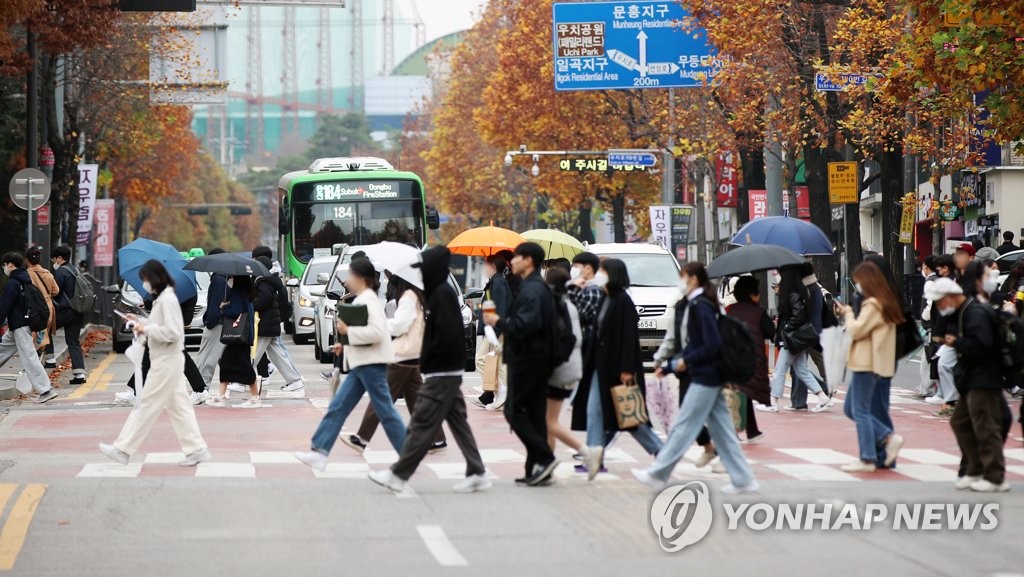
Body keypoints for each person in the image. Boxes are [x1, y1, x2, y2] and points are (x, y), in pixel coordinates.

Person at [367, 247, 488, 493]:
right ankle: (477, 472)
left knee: (421, 422)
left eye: (423, 269)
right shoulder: (437, 292)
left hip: (441, 372)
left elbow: (445, 336)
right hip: (446, 371)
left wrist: (430, 360)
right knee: (458, 423)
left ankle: (398, 474)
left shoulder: (441, 295)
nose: (420, 274)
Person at [632, 262, 758, 494]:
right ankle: (743, 480)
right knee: (723, 431)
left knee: (683, 426)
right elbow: (697, 343)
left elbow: (710, 344)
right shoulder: (698, 304)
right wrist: (672, 365)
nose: (681, 282)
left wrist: (683, 362)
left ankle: (658, 473)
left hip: (705, 375)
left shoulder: (700, 306)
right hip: (708, 374)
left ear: (693, 279)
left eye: (683, 277)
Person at [295, 258, 406, 472]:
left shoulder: (368, 300)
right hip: (363, 363)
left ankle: (409, 455)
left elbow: (377, 332)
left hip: (371, 364)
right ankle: (319, 452)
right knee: (339, 407)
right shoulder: (364, 298)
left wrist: (348, 333)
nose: (346, 281)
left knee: (385, 412)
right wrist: (344, 345)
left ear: (361, 278)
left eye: (350, 276)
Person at [98, 259, 211, 467]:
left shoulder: (167, 300)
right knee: (180, 407)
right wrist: (141, 322)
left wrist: (145, 329)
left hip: (166, 360)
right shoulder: (164, 299)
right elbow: (164, 327)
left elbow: (173, 332)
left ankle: (123, 449)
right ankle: (196, 449)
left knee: (147, 404)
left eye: (145, 280)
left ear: (154, 278)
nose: (144, 285)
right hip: (168, 359)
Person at [574, 258, 663, 481]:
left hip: (618, 370)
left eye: (603, 270)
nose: (599, 273)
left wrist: (626, 369)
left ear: (612, 274)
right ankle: (594, 457)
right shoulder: (605, 297)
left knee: (629, 417)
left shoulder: (623, 301)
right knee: (595, 412)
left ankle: (662, 451)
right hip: (599, 367)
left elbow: (628, 339)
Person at [344, 270, 446, 454]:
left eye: (388, 275)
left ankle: (362, 438)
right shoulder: (415, 294)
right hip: (410, 355)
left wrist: (379, 325)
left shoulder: (407, 297)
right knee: (417, 401)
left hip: (401, 355)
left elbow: (400, 325)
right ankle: (437, 439)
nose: (386, 279)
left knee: (380, 398)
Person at [483, 242, 559, 486]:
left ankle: (545, 459)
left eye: (516, 258)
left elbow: (525, 326)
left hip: (529, 360)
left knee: (514, 411)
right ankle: (535, 468)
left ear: (528, 261)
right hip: (537, 359)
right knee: (535, 415)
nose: (511, 262)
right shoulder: (534, 287)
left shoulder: (532, 290)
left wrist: (498, 321)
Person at [926, 277, 1010, 492]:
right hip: (974, 377)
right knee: (961, 422)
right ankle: (975, 469)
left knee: (985, 425)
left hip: (983, 377)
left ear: (952, 297)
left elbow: (983, 345)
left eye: (941, 302)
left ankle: (994, 476)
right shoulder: (967, 311)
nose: (941, 307)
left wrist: (957, 342)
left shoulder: (974, 313)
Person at [836, 261, 905, 472]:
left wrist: (848, 313)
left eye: (858, 281)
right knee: (851, 408)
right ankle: (884, 439)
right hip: (869, 362)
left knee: (861, 410)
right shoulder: (883, 302)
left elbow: (857, 331)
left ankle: (868, 457)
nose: (857, 285)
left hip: (867, 363)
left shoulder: (874, 305)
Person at [758, 265, 833, 412]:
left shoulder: (792, 294)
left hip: (792, 338)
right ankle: (823, 398)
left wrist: (786, 329)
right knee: (802, 370)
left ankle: (773, 402)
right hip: (799, 338)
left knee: (780, 370)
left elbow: (797, 315)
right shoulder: (799, 291)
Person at [542, 268, 588, 461]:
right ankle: (548, 461)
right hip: (568, 368)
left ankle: (587, 452)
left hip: (560, 370)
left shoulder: (559, 306)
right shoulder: (567, 302)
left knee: (549, 422)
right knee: (549, 420)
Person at [0, 253, 58, 403]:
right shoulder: (25, 279)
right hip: (17, 326)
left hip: (20, 327)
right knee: (2, 349)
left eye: (4, 265)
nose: (4, 268)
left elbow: (4, 306)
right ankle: (45, 389)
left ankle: (46, 389)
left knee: (29, 358)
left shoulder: (13, 283)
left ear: (10, 265)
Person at [726, 275, 774, 443]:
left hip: (733, 360)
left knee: (741, 393)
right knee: (744, 393)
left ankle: (752, 430)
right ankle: (735, 431)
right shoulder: (759, 312)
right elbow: (770, 333)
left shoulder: (730, 310)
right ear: (752, 294)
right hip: (753, 360)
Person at [247, 255, 305, 394]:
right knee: (278, 355)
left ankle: (242, 379)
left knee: (253, 354)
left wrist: (250, 305)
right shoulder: (268, 280)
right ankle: (294, 380)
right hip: (270, 325)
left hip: (265, 325)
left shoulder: (263, 282)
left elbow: (262, 302)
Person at [206, 275, 259, 407]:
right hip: (243, 336)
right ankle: (221, 395)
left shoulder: (237, 292)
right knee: (225, 363)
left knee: (244, 366)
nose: (231, 280)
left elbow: (235, 311)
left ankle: (255, 397)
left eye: (233, 278)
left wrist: (224, 307)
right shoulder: (247, 293)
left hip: (238, 337)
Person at [472, 251, 513, 410]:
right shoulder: (495, 282)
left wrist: (495, 331)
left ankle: (500, 390)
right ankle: (492, 393)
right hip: (494, 328)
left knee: (483, 360)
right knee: (495, 363)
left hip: (495, 329)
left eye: (485, 264)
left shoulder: (498, 283)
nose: (483, 267)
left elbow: (500, 308)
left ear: (493, 265)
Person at [788, 262, 831, 409]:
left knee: (799, 366)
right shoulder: (814, 287)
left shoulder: (809, 289)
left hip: (807, 331)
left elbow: (802, 311)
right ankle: (802, 399)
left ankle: (802, 400)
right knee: (798, 365)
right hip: (811, 330)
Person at [50, 245, 87, 385]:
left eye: (54, 259)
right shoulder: (75, 270)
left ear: (59, 258)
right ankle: (79, 375)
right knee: (73, 342)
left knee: (44, 329)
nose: (54, 263)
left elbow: (55, 292)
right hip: (78, 311)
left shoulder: (61, 272)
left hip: (65, 311)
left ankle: (49, 360)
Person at [195, 248, 229, 389]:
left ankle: (202, 387)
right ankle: (202, 385)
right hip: (219, 322)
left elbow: (216, 303)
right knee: (212, 356)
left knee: (207, 357)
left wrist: (210, 321)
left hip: (216, 324)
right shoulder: (222, 277)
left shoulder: (218, 279)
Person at [567, 252, 604, 361]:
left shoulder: (593, 291)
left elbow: (577, 314)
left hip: (587, 340)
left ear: (588, 268)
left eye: (576, 266)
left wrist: (573, 289)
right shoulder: (580, 286)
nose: (573, 269)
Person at [25, 246, 59, 355]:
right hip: (47, 309)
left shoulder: (26, 274)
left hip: (33, 309)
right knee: (41, 336)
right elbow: (56, 291)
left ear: (27, 259)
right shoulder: (48, 274)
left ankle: (32, 366)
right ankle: (38, 361)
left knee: (31, 338)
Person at [918, 255, 939, 398]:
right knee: (929, 356)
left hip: (930, 324)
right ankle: (926, 386)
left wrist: (925, 317)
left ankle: (927, 387)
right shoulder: (938, 280)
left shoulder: (929, 283)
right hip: (935, 324)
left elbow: (930, 304)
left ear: (926, 267)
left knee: (928, 356)